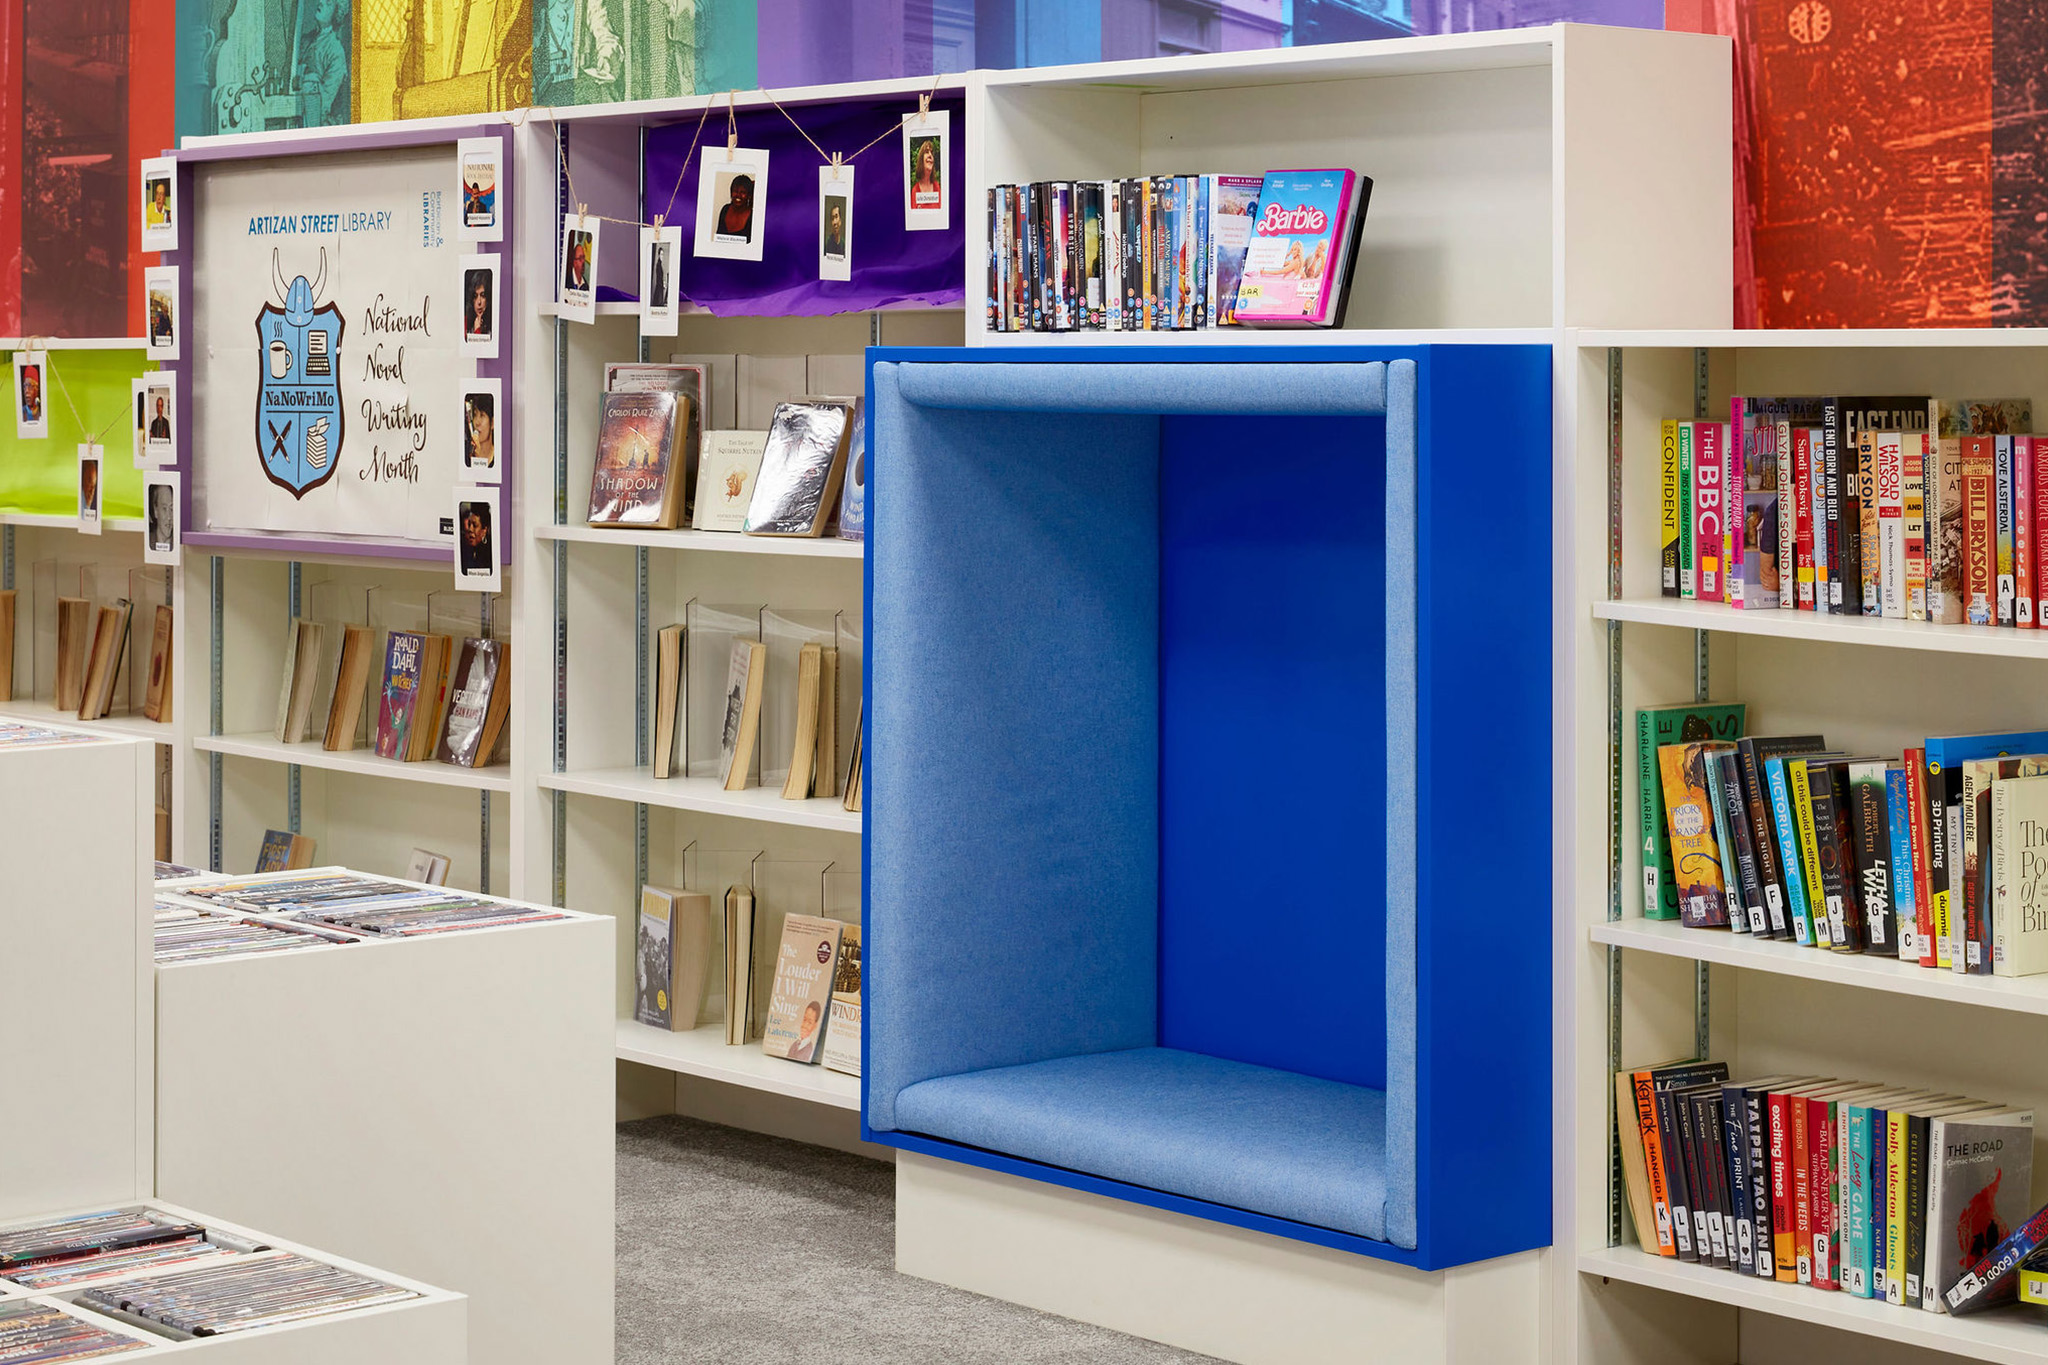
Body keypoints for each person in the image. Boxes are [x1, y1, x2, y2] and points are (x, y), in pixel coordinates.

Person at [716, 175, 753, 241]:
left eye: (743, 192)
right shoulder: (725, 210)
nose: (738, 195)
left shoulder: (753, 217)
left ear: (749, 196)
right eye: (735, 191)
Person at [910, 137, 940, 209]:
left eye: (931, 152)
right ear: (921, 160)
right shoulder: (915, 191)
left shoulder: (937, 187)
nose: (930, 155)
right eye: (927, 152)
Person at [465, 395, 495, 468]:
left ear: (492, 423)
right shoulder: (466, 452)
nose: (477, 422)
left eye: (482, 415)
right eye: (475, 415)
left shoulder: (500, 454)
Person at [790, 999, 823, 1063]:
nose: (804, 1025)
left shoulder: (810, 1051)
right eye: (804, 1019)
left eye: (810, 1022)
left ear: (815, 1026)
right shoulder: (794, 1044)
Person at [465, 272, 492, 338]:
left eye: (483, 295)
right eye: (475, 296)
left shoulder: (493, 324)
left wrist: (477, 330)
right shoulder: (465, 323)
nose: (479, 302)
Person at [648, 241, 669, 309]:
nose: (662, 256)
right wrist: (662, 284)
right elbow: (659, 277)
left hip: (660, 286)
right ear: (659, 255)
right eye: (661, 254)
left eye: (663, 254)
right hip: (659, 286)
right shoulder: (658, 265)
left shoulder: (659, 264)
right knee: (658, 304)